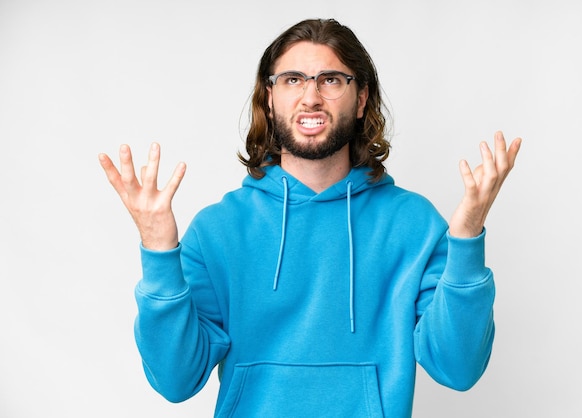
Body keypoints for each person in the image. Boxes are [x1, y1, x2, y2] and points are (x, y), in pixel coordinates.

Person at [98, 18, 521, 418]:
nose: (311, 96)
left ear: (361, 99)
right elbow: (176, 380)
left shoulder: (413, 225)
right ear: (270, 97)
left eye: (331, 79)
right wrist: (157, 250)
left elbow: (459, 368)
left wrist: (466, 240)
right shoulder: (219, 230)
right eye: (293, 79)